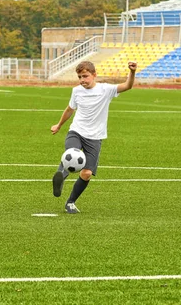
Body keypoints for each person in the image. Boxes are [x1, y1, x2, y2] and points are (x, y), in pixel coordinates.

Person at [50, 60, 137, 214]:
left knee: (87, 173)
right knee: (72, 153)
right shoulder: (76, 91)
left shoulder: (106, 90)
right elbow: (70, 109)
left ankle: (70, 202)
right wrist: (59, 125)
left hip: (95, 137)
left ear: (94, 75)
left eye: (85, 76)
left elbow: (127, 86)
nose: (82, 80)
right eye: (79, 77)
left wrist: (132, 72)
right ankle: (60, 177)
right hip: (76, 131)